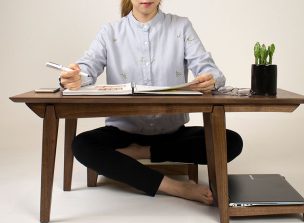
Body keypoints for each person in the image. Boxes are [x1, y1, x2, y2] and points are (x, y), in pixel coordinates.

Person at [60, 0, 243, 205]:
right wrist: (76, 77)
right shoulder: (110, 31)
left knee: (232, 141)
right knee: (81, 145)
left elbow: (210, 70)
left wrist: (211, 79)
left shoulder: (181, 26)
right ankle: (174, 187)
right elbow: (87, 67)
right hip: (122, 134)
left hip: (172, 134)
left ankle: (141, 152)